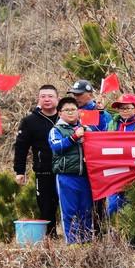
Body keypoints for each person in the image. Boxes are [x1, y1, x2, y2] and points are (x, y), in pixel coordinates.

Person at [13, 85, 61, 235]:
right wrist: (20, 171)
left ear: (57, 99)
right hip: (44, 171)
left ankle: (73, 238)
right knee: (46, 208)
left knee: (70, 206)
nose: (47, 99)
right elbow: (21, 147)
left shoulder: (66, 117)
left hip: (67, 172)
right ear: (39, 99)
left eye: (50, 96)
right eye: (43, 96)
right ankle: (50, 239)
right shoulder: (30, 121)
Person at [48, 96, 95, 243]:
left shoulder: (86, 128)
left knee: (86, 210)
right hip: (66, 175)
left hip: (85, 176)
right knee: (69, 211)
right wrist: (74, 137)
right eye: (66, 110)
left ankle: (86, 241)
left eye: (73, 109)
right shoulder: (56, 130)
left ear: (79, 111)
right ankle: (72, 243)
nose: (70, 112)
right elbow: (56, 147)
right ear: (60, 112)